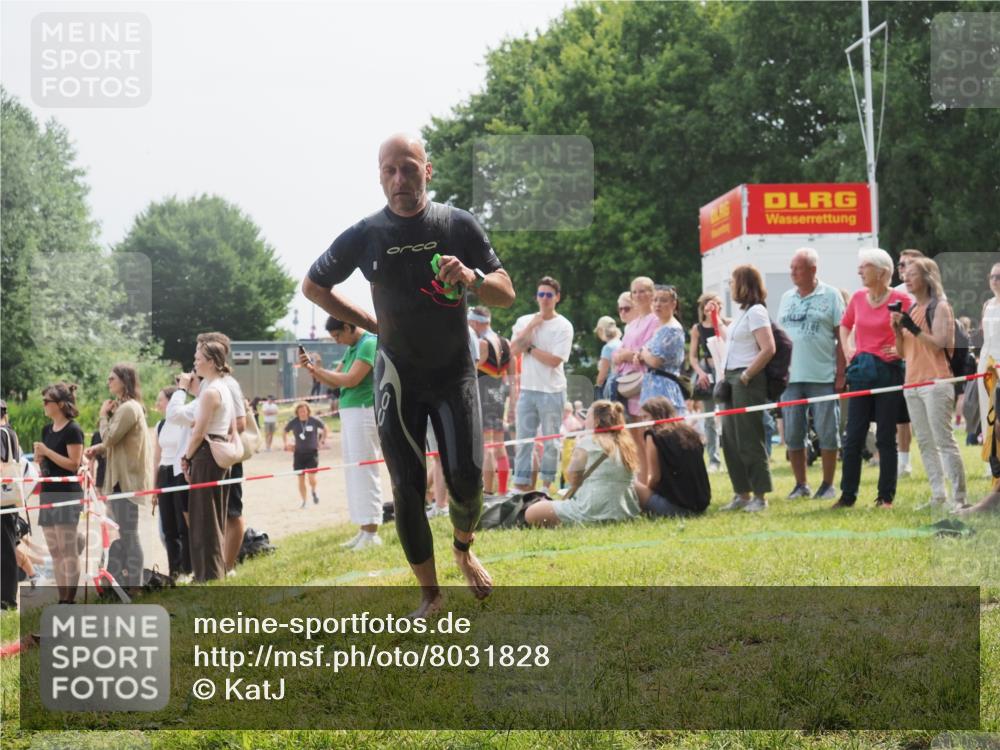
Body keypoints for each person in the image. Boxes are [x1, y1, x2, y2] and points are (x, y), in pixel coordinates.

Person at [302, 133, 516, 616]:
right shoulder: (366, 234)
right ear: (379, 175)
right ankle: (430, 592)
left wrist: (472, 279)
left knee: (465, 479)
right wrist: (370, 323)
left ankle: (463, 549)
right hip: (397, 377)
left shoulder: (456, 224)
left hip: (454, 373)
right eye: (389, 170)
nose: (400, 179)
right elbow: (313, 286)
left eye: (409, 167)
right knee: (407, 486)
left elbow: (506, 293)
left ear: (428, 170)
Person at [835, 248, 911, 509]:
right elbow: (845, 325)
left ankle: (885, 497)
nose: (859, 271)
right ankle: (847, 496)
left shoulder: (901, 298)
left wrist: (901, 345)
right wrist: (847, 348)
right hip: (862, 373)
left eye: (864, 266)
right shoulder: (857, 298)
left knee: (885, 437)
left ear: (882, 272)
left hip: (888, 372)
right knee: (853, 435)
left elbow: (913, 331)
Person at [301, 316, 383, 549]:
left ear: (348, 327)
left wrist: (317, 370)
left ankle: (372, 530)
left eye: (338, 336)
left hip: (364, 410)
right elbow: (334, 382)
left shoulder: (368, 342)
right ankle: (363, 529)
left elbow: (351, 379)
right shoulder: (352, 347)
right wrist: (312, 369)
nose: (337, 341)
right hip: (352, 412)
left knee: (365, 470)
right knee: (354, 472)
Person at [891, 257, 967, 511]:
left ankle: (959, 498)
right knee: (924, 442)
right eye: (906, 274)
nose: (907, 278)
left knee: (944, 440)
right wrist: (896, 330)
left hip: (936, 381)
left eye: (913, 274)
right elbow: (902, 353)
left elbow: (939, 343)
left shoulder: (940, 307)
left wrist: (911, 328)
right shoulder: (911, 310)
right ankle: (938, 495)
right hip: (912, 382)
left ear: (928, 277)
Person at [777, 248, 846, 501]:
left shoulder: (831, 295)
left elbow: (842, 336)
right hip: (791, 379)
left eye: (798, 267)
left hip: (823, 377)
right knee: (793, 433)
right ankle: (801, 484)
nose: (792, 272)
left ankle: (827, 485)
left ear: (813, 270)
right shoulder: (786, 297)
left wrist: (841, 373)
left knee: (828, 432)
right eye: (792, 267)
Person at [84, 364, 152, 591]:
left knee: (129, 533)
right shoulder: (127, 407)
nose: (108, 381)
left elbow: (110, 437)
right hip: (121, 479)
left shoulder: (129, 408)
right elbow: (114, 444)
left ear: (124, 380)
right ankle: (127, 580)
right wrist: (99, 448)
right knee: (125, 532)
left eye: (112, 378)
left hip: (126, 480)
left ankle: (136, 585)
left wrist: (103, 416)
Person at [523, 400, 640, 527]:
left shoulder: (587, 441)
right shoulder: (626, 444)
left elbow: (573, 479)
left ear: (596, 420)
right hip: (625, 512)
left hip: (591, 510)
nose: (584, 422)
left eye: (588, 417)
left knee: (531, 512)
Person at [719, 265, 776, 512]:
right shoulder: (742, 313)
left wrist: (746, 375)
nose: (730, 286)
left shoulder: (757, 312)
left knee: (749, 439)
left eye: (733, 281)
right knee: (730, 439)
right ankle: (742, 493)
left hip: (746, 379)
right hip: (731, 379)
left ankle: (760, 496)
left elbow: (768, 348)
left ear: (743, 283)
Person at [177, 339, 235, 581]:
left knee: (204, 520)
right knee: (212, 517)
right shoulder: (221, 387)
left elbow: (199, 431)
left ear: (211, 362)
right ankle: (210, 573)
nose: (195, 363)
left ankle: (208, 576)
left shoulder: (211, 392)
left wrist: (186, 456)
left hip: (206, 454)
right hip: (215, 453)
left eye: (198, 358)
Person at [510, 276, 574, 493]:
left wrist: (530, 349)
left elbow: (555, 360)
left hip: (553, 391)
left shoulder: (564, 326)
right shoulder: (524, 321)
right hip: (527, 390)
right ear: (536, 297)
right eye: (541, 294)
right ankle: (520, 485)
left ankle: (547, 486)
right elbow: (512, 350)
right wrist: (531, 326)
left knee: (551, 442)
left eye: (549, 295)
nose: (544, 299)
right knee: (523, 440)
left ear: (557, 297)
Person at [34, 383, 85, 604]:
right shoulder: (46, 430)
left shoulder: (73, 430)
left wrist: (47, 452)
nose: (43, 405)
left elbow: (74, 464)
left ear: (61, 404)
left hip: (67, 494)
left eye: (47, 401)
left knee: (67, 549)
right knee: (55, 551)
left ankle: (69, 599)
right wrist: (40, 458)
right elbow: (51, 462)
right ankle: (61, 597)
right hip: (48, 492)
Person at [633, 396, 710, 518]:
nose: (643, 422)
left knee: (632, 485)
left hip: (676, 507)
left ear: (657, 416)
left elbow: (655, 478)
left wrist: (647, 492)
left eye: (645, 417)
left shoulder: (653, 435)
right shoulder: (690, 432)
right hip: (701, 504)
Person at [468, 306, 512, 496]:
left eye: (470, 322)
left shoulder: (482, 344)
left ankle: (487, 491)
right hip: (499, 396)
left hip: (483, 396)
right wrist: (513, 405)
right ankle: (502, 490)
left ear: (477, 322)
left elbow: (470, 371)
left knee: (487, 447)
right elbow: (512, 379)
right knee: (500, 445)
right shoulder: (506, 343)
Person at [153, 386, 192, 581]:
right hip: (164, 473)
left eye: (160, 399)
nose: (157, 404)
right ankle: (174, 572)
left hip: (179, 473)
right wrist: (154, 487)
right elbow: (156, 457)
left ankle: (187, 568)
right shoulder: (160, 425)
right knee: (168, 527)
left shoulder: (183, 422)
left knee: (182, 524)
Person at [894, 249, 925, 478]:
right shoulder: (894, 293)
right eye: (900, 265)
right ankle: (904, 462)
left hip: (925, 359)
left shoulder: (929, 294)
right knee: (902, 415)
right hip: (902, 358)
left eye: (906, 265)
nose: (902, 269)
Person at [690, 292, 727, 472]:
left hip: (725, 370)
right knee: (709, 418)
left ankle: (732, 455)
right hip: (708, 371)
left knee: (729, 414)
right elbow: (693, 357)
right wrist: (700, 373)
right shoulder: (697, 328)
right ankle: (714, 459)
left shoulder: (726, 324)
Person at [637, 285, 687, 415]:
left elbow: (655, 361)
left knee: (664, 431)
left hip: (664, 388)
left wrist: (643, 352)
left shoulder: (672, 329)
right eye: (655, 300)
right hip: (651, 387)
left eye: (663, 300)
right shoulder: (660, 327)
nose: (658, 304)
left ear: (673, 304)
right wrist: (642, 354)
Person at [283, 402, 328, 509]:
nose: (302, 413)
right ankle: (304, 501)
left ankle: (314, 490)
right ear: (297, 413)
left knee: (312, 477)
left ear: (308, 411)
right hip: (298, 454)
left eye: (304, 411)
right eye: (300, 412)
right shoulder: (294, 422)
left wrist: (322, 441)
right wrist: (286, 444)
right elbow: (284, 431)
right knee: (301, 478)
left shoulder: (314, 420)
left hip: (312, 453)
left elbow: (325, 428)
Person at [1, 400, 24, 609]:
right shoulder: (10, 432)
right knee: (7, 547)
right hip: (9, 498)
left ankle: (7, 600)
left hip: (3, 498)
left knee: (6, 549)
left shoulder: (1, 433)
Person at [594, 315, 622, 398]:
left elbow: (603, 373)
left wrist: (597, 385)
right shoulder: (620, 343)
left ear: (601, 330)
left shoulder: (607, 347)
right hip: (620, 383)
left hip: (610, 386)